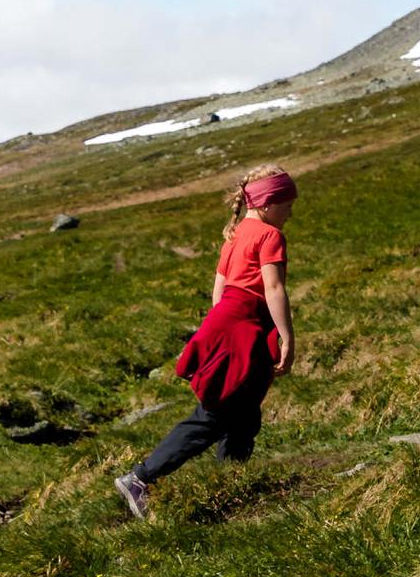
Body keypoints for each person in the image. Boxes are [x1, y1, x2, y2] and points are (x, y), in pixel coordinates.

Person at [116, 166, 297, 519]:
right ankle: (141, 478)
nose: (291, 210)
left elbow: (219, 290)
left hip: (227, 323)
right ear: (266, 203)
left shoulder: (238, 232)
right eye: (286, 202)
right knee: (217, 414)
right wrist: (287, 338)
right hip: (243, 325)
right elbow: (274, 289)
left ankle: (229, 484)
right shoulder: (269, 236)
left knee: (243, 412)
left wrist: (226, 330)